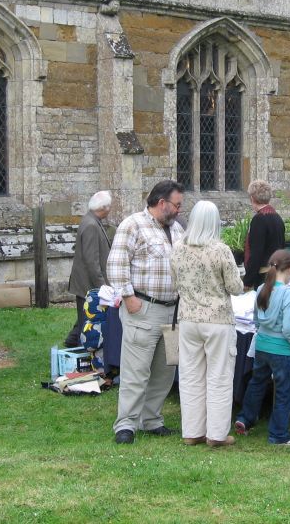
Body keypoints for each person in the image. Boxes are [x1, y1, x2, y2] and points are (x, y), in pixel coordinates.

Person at [108, 180, 185, 444]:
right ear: (162, 203)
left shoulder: (177, 229)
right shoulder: (132, 225)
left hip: (173, 311)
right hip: (144, 308)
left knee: (165, 371)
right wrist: (129, 298)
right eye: (177, 205)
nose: (179, 210)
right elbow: (116, 264)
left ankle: (151, 420)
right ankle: (126, 425)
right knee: (136, 371)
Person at [170, 201, 244, 447]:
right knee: (219, 376)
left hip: (188, 318)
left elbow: (175, 283)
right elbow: (235, 286)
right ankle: (216, 434)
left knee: (190, 375)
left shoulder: (178, 248)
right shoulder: (220, 250)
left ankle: (192, 431)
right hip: (217, 319)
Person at [234, 249, 290, 446]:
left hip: (262, 345)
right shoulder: (289, 293)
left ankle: (245, 418)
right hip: (281, 349)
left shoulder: (262, 288)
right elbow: (288, 328)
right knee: (283, 391)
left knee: (257, 383)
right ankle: (278, 434)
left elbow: (255, 319)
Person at [65, 191, 113, 348]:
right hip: (88, 284)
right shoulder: (91, 225)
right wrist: (102, 286)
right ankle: (79, 347)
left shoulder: (91, 220)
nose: (110, 210)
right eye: (109, 207)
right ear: (104, 207)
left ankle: (72, 341)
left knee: (85, 316)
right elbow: (91, 260)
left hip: (87, 283)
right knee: (87, 320)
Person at [243, 180, 285, 290]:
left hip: (264, 276)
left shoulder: (259, 220)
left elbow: (256, 253)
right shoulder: (278, 218)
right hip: (277, 273)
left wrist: (248, 281)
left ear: (252, 198)